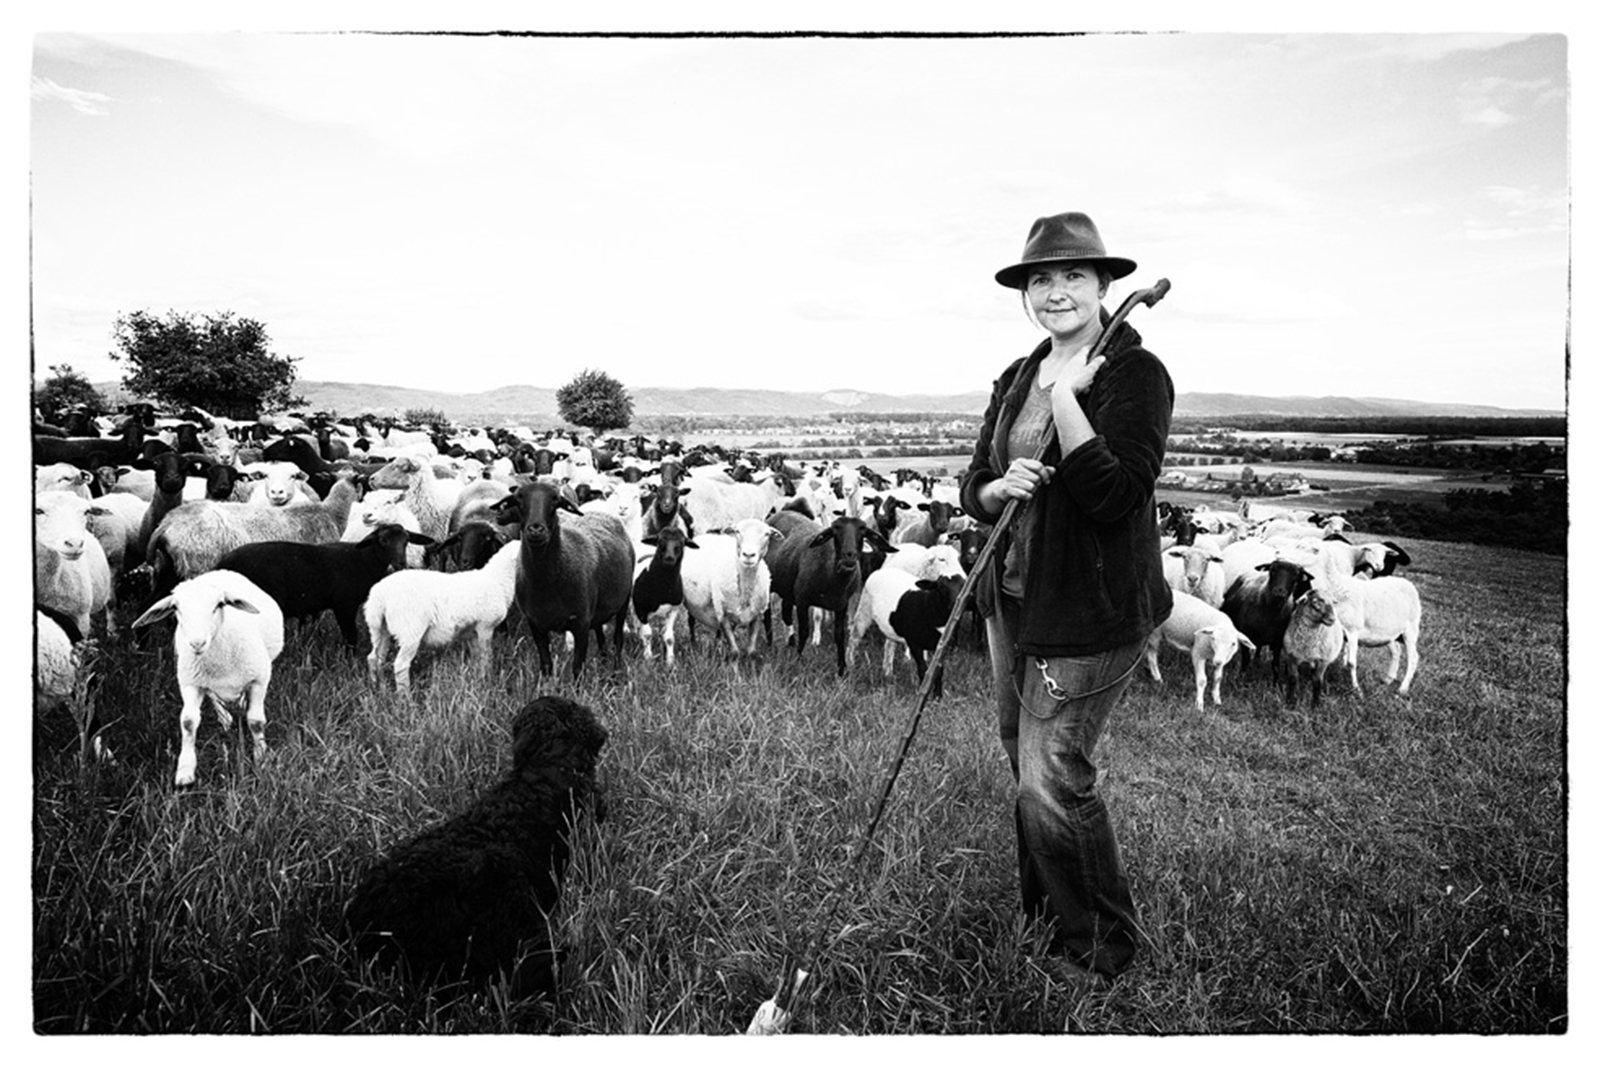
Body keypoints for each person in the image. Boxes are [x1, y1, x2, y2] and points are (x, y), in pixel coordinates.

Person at [958, 211, 1174, 982]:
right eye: (1041, 278)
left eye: (1073, 275)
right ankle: (1047, 916)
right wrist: (996, 488)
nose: (1056, 291)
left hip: (1090, 607)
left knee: (1054, 769)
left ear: (1103, 284)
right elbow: (975, 480)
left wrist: (1071, 401)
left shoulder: (1134, 373)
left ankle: (1100, 947)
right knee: (1026, 764)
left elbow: (1115, 494)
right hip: (1015, 598)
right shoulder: (1018, 376)